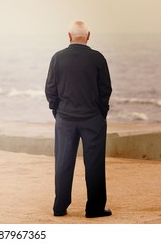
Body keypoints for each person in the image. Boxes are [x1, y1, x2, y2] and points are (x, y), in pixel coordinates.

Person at [45, 20, 113, 218]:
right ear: (88, 36)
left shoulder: (57, 58)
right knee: (94, 164)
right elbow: (105, 90)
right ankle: (94, 208)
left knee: (63, 162)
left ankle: (59, 207)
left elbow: (50, 89)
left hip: (65, 119)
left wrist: (57, 112)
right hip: (92, 118)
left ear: (69, 36)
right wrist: (101, 114)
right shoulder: (97, 58)